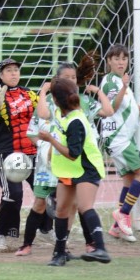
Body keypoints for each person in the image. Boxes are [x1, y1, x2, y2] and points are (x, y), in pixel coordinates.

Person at [16, 57, 115, 257]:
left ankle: (93, 246)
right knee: (53, 206)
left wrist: (98, 91)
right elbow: (42, 119)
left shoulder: (79, 109)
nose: (71, 81)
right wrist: (46, 146)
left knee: (80, 206)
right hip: (58, 164)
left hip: (78, 163)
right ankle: (51, 249)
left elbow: (73, 151)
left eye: (73, 78)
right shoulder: (56, 107)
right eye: (66, 78)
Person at [38, 77, 111, 266]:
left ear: (55, 99)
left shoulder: (76, 121)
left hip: (86, 168)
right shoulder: (63, 114)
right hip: (70, 170)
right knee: (61, 210)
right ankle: (59, 254)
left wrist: (50, 140)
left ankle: (101, 249)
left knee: (84, 206)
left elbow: (73, 154)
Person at [0, 58, 40, 252]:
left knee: (45, 190)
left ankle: (47, 228)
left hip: (31, 151)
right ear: (1, 75)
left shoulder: (30, 94)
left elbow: (42, 115)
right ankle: (2, 234)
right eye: (9, 70)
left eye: (16, 70)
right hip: (6, 152)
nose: (14, 73)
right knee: (13, 194)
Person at [100, 44, 140, 240]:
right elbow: (113, 106)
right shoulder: (112, 82)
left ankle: (116, 227)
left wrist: (137, 108)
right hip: (118, 139)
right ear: (109, 62)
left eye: (124, 58)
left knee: (129, 180)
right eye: (116, 59)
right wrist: (124, 87)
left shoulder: (121, 82)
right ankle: (122, 214)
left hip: (120, 138)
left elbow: (124, 107)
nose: (121, 62)